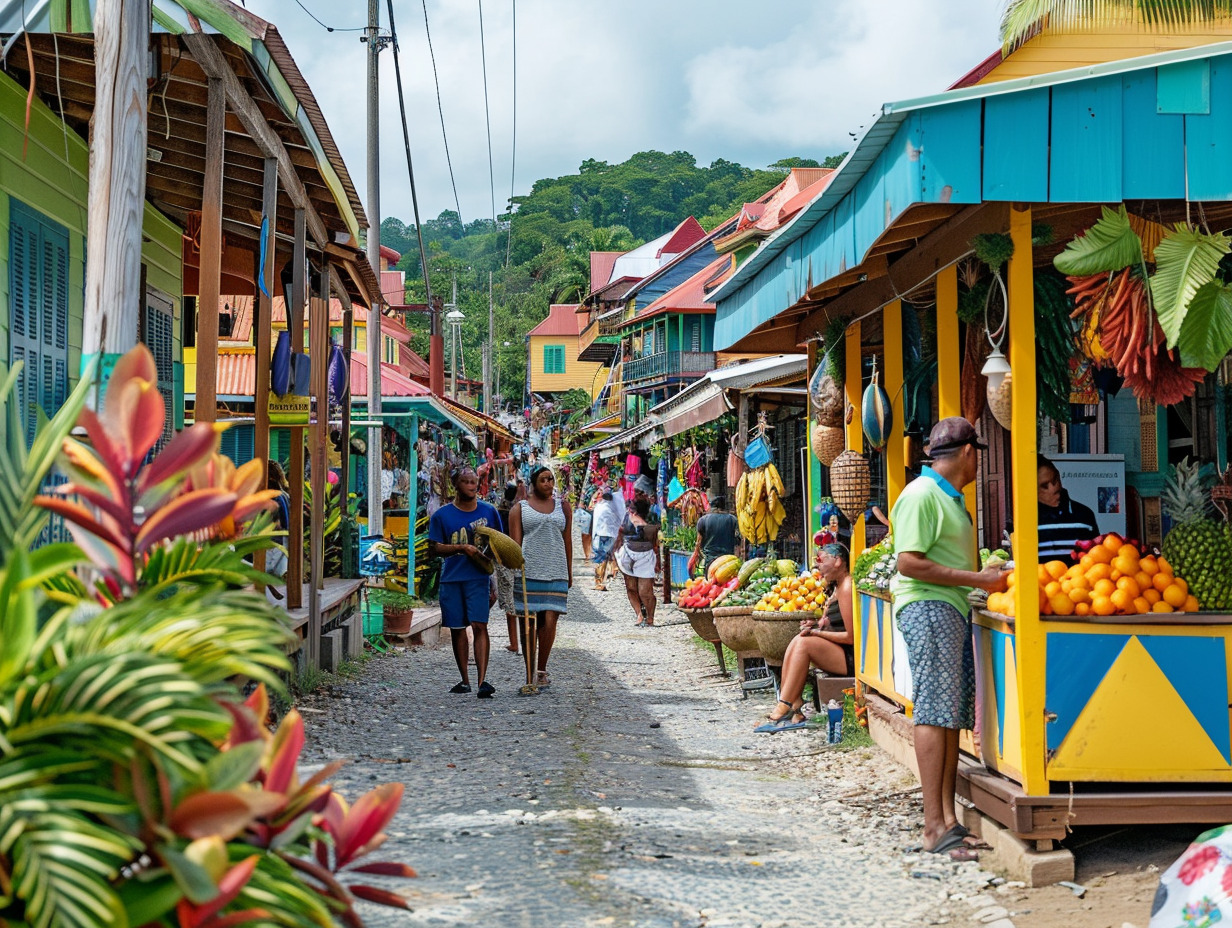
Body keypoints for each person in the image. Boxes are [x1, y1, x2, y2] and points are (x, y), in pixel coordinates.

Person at [890, 418, 1009, 861]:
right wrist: (978, 578)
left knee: (946, 714)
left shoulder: (950, 498)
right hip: (928, 604)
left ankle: (947, 822)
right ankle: (933, 826)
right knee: (933, 711)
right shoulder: (922, 495)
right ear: (968, 453)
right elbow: (908, 563)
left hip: (948, 606)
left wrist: (974, 582)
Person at [755, 543, 854, 733]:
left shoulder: (847, 586)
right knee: (798, 640)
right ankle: (794, 705)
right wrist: (815, 626)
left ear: (838, 562)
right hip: (839, 651)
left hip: (850, 656)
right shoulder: (836, 587)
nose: (817, 567)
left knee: (804, 644)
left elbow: (850, 637)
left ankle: (784, 706)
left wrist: (817, 633)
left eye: (821, 560)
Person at [428, 467, 502, 699]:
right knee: (458, 628)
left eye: (474, 481)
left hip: (478, 578)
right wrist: (462, 548)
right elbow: (434, 547)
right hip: (451, 578)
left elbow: (499, 543)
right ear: (456, 485)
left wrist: (494, 579)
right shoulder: (442, 515)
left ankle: (482, 681)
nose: (471, 485)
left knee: (480, 625)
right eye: (466, 481)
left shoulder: (489, 512)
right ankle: (465, 680)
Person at [509, 465, 572, 689]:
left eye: (551, 479)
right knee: (527, 623)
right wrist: (513, 572)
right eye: (544, 480)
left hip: (556, 570)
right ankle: (529, 670)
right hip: (528, 570)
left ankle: (542, 669)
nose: (549, 484)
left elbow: (567, 541)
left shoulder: (563, 507)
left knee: (550, 619)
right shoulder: (520, 509)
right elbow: (515, 544)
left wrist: (569, 572)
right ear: (534, 482)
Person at [1037, 454, 1100, 563]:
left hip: (1079, 579)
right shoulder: (1025, 521)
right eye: (1044, 485)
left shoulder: (1085, 515)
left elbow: (1097, 559)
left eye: (1055, 479)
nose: (1054, 488)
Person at [615, 497, 661, 627]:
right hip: (627, 553)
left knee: (645, 591)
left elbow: (655, 541)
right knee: (631, 587)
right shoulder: (626, 518)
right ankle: (639, 614)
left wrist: (657, 560)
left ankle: (650, 617)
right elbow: (619, 533)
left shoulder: (652, 520)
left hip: (645, 555)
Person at [495, 481, 521, 654]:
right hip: (519, 556)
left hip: (503, 557)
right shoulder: (520, 510)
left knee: (509, 603)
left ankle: (514, 642)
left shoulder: (499, 511)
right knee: (521, 600)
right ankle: (523, 640)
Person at [694, 494, 740, 573]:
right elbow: (738, 544)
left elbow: (698, 543)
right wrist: (737, 558)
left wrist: (696, 560)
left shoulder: (703, 520)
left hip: (709, 561)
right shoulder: (733, 520)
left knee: (710, 583)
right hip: (727, 562)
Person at [591, 486, 622, 592]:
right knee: (609, 556)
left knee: (600, 557)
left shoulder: (599, 507)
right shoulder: (614, 507)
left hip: (599, 534)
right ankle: (608, 578)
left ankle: (599, 582)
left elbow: (595, 523)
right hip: (611, 535)